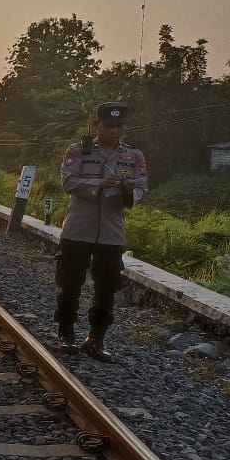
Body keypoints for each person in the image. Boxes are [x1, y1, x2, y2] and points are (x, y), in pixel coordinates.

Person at [55, 102, 148, 361]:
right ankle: (66, 333)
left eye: (119, 126)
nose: (114, 131)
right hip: (77, 230)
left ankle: (96, 338)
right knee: (70, 285)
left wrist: (128, 190)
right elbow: (68, 181)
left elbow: (141, 189)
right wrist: (99, 184)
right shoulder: (77, 151)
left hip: (111, 233)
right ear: (97, 125)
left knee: (106, 289)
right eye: (108, 125)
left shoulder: (134, 157)